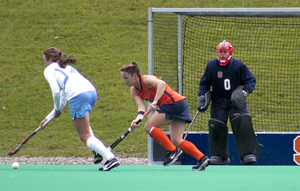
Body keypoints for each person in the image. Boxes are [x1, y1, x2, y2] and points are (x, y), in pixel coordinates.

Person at [120, 62, 211, 171]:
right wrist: (137, 118)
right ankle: (202, 158)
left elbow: (162, 84)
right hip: (179, 104)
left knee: (148, 127)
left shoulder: (146, 80)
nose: (125, 81)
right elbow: (141, 108)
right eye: (123, 79)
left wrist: (155, 101)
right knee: (177, 140)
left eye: (126, 78)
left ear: (134, 76)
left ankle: (173, 151)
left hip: (173, 103)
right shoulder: (134, 90)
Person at [40, 47, 119, 171]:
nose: (44, 63)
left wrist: (57, 109)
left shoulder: (49, 69)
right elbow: (62, 97)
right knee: (86, 128)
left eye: (44, 60)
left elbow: (55, 91)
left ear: (49, 59)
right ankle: (96, 150)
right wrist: (49, 117)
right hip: (91, 92)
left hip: (78, 95)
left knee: (84, 135)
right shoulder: (67, 67)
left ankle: (110, 158)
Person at [197, 40, 260, 165]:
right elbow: (204, 83)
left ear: (230, 52)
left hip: (236, 99)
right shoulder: (211, 66)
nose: (222, 55)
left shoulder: (238, 66)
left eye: (225, 52)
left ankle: (247, 154)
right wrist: (202, 96)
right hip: (218, 100)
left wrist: (245, 91)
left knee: (241, 122)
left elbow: (250, 79)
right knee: (216, 125)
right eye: (220, 52)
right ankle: (219, 156)